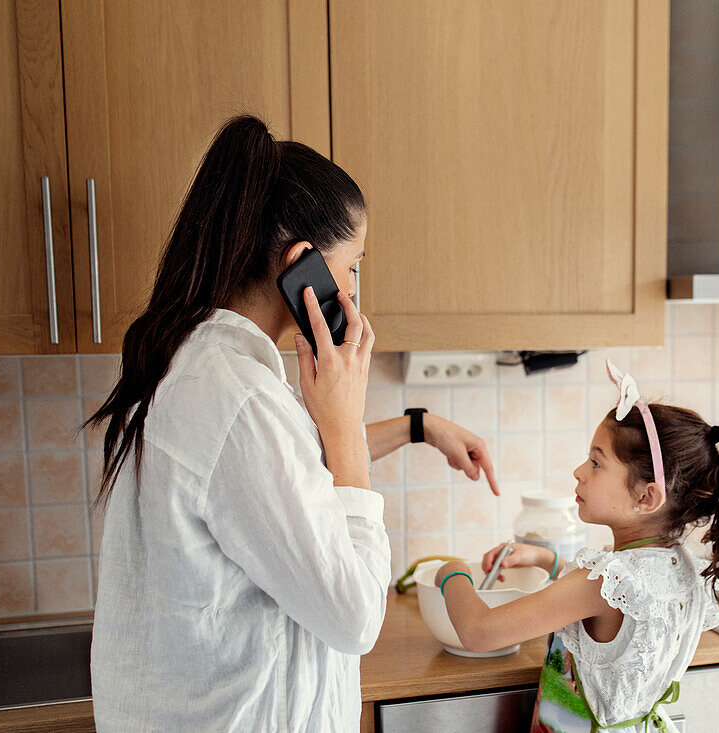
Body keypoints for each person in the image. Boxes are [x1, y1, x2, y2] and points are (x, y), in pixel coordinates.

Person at [87, 115, 496, 732]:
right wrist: (344, 423)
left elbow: (290, 474)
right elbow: (357, 617)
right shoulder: (240, 401)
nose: (354, 292)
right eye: (352, 267)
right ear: (301, 265)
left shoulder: (201, 363)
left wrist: (418, 426)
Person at [435, 360, 719, 732]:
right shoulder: (681, 568)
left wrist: (451, 572)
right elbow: (617, 613)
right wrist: (549, 561)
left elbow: (478, 632)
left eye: (596, 463)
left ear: (647, 497)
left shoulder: (602, 582)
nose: (579, 471)